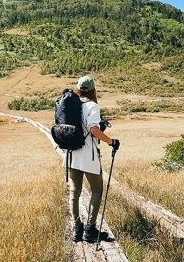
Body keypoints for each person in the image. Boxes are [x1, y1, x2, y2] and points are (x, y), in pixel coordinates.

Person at [69, 75, 120, 242]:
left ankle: (77, 229)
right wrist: (111, 142)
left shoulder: (72, 104)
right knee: (97, 190)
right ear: (92, 89)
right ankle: (90, 230)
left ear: (78, 88)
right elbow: (93, 130)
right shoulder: (92, 106)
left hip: (72, 153)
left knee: (74, 192)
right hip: (88, 156)